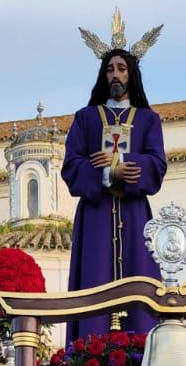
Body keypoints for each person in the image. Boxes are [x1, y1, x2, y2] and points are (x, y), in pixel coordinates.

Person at [61, 34, 167, 341]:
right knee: (93, 285)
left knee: (141, 286)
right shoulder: (85, 119)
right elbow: (71, 165)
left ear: (132, 74)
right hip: (95, 217)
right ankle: (87, 352)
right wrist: (107, 172)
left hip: (135, 217)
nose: (116, 75)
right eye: (110, 70)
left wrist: (123, 163)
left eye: (121, 68)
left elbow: (157, 165)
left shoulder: (148, 120)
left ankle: (142, 353)